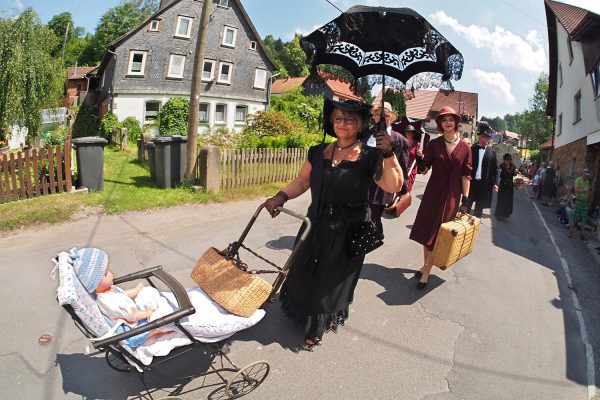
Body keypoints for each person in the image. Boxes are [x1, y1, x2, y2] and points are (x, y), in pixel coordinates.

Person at [264, 99, 404, 349]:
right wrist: (281, 196)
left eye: (350, 119)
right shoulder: (318, 152)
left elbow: (393, 186)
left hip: (348, 229)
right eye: (338, 118)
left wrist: (389, 154)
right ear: (331, 122)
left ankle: (317, 325)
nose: (343, 123)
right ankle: (298, 309)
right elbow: (302, 182)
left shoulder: (371, 155)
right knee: (303, 268)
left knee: (330, 278)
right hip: (314, 223)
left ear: (360, 125)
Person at [410, 106, 472, 289]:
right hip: (432, 194)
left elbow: (466, 175)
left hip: (452, 197)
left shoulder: (465, 147)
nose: (447, 123)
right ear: (439, 123)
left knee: (439, 235)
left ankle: (426, 271)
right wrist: (421, 162)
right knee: (427, 232)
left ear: (456, 122)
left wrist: (465, 200)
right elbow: (424, 170)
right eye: (444, 120)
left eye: (451, 119)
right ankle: (426, 266)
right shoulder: (433, 145)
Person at [364, 101, 410, 238]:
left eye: (386, 115)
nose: (382, 118)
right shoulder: (365, 135)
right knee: (361, 218)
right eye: (379, 115)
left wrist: (403, 192)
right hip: (362, 185)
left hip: (382, 188)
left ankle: (373, 239)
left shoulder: (400, 140)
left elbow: (402, 167)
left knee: (372, 219)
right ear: (374, 117)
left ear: (391, 118)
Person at [465, 122, 497, 217]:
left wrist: (495, 183)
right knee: (466, 205)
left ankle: (474, 226)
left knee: (479, 209)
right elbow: (466, 164)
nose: (484, 139)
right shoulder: (472, 149)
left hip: (484, 184)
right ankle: (462, 226)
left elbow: (495, 168)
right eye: (483, 137)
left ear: (488, 139)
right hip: (472, 182)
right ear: (479, 137)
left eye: (486, 137)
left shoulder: (492, 152)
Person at [569, 168, 592, 240]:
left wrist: (589, 198)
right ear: (583, 174)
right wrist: (584, 190)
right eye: (586, 175)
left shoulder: (587, 181)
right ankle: (571, 232)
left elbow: (588, 191)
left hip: (585, 203)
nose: (587, 177)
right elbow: (576, 190)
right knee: (575, 218)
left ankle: (582, 234)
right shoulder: (578, 180)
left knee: (584, 219)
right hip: (578, 202)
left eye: (588, 175)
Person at [494, 153, 517, 219]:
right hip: (503, 184)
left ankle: (506, 214)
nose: (507, 161)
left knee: (508, 200)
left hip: (509, 185)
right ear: (504, 160)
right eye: (506, 160)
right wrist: (499, 172)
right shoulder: (501, 166)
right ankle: (499, 214)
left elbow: (514, 174)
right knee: (501, 199)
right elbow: (499, 175)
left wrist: (515, 172)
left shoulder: (513, 166)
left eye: (509, 160)